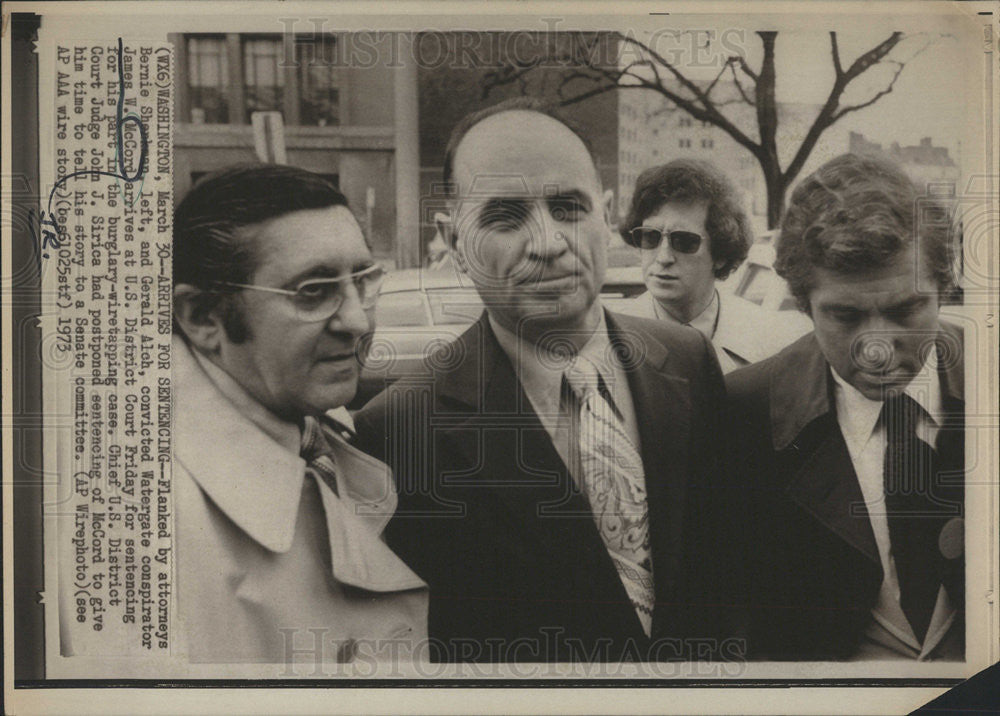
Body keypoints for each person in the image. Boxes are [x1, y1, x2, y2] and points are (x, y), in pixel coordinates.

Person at [354, 99, 738, 663]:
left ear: (605, 217)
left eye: (567, 207)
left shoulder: (686, 360)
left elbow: (725, 575)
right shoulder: (399, 429)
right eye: (505, 217)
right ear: (455, 242)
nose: (549, 243)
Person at [171, 165, 427, 666]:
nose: (356, 321)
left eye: (363, 280)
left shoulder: (314, 428)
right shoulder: (153, 529)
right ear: (203, 317)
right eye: (313, 291)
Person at [726, 153, 964, 660]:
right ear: (801, 301)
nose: (877, 348)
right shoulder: (742, 412)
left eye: (905, 310)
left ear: (945, 288)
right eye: (846, 316)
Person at [617, 158, 806, 372]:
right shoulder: (611, 340)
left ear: (721, 254)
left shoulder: (770, 338)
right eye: (650, 237)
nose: (663, 257)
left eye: (684, 241)